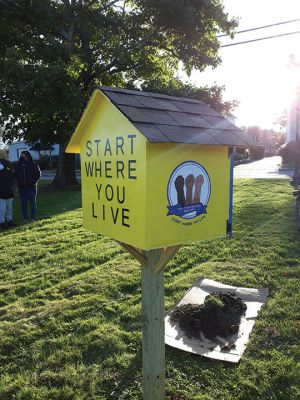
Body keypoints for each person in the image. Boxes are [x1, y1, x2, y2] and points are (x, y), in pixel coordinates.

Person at [14, 150, 41, 223]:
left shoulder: (33, 164)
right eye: (21, 156)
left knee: (32, 203)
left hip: (31, 187)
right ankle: (25, 218)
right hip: (22, 188)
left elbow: (38, 175)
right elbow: (15, 176)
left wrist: (33, 182)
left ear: (27, 157)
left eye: (24, 156)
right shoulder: (17, 165)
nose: (22, 158)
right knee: (23, 204)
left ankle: (33, 218)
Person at [0, 149, 17, 230]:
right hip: (1, 190)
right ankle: (2, 222)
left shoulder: (9, 163)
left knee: (9, 208)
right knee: (2, 209)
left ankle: (9, 220)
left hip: (9, 189)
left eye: (6, 153)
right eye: (5, 153)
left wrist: (13, 187)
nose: (7, 154)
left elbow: (12, 175)